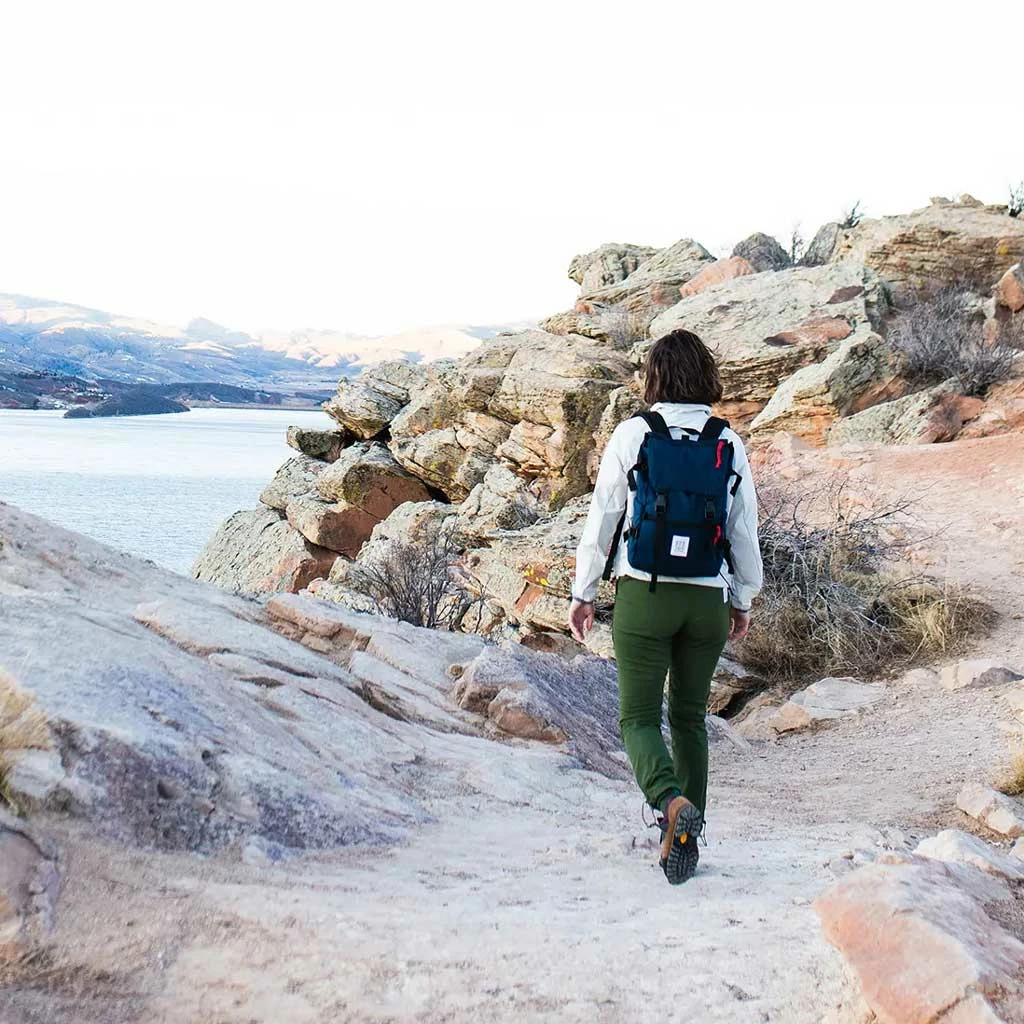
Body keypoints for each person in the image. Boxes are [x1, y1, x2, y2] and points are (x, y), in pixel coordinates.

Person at [568, 328, 763, 885]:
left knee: (637, 717)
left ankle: (670, 804)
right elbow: (743, 529)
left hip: (645, 594)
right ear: (706, 376)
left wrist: (584, 592)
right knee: (689, 718)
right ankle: (684, 841)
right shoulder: (727, 441)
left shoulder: (634, 433)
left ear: (654, 377)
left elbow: (603, 517)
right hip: (706, 599)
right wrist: (743, 597)